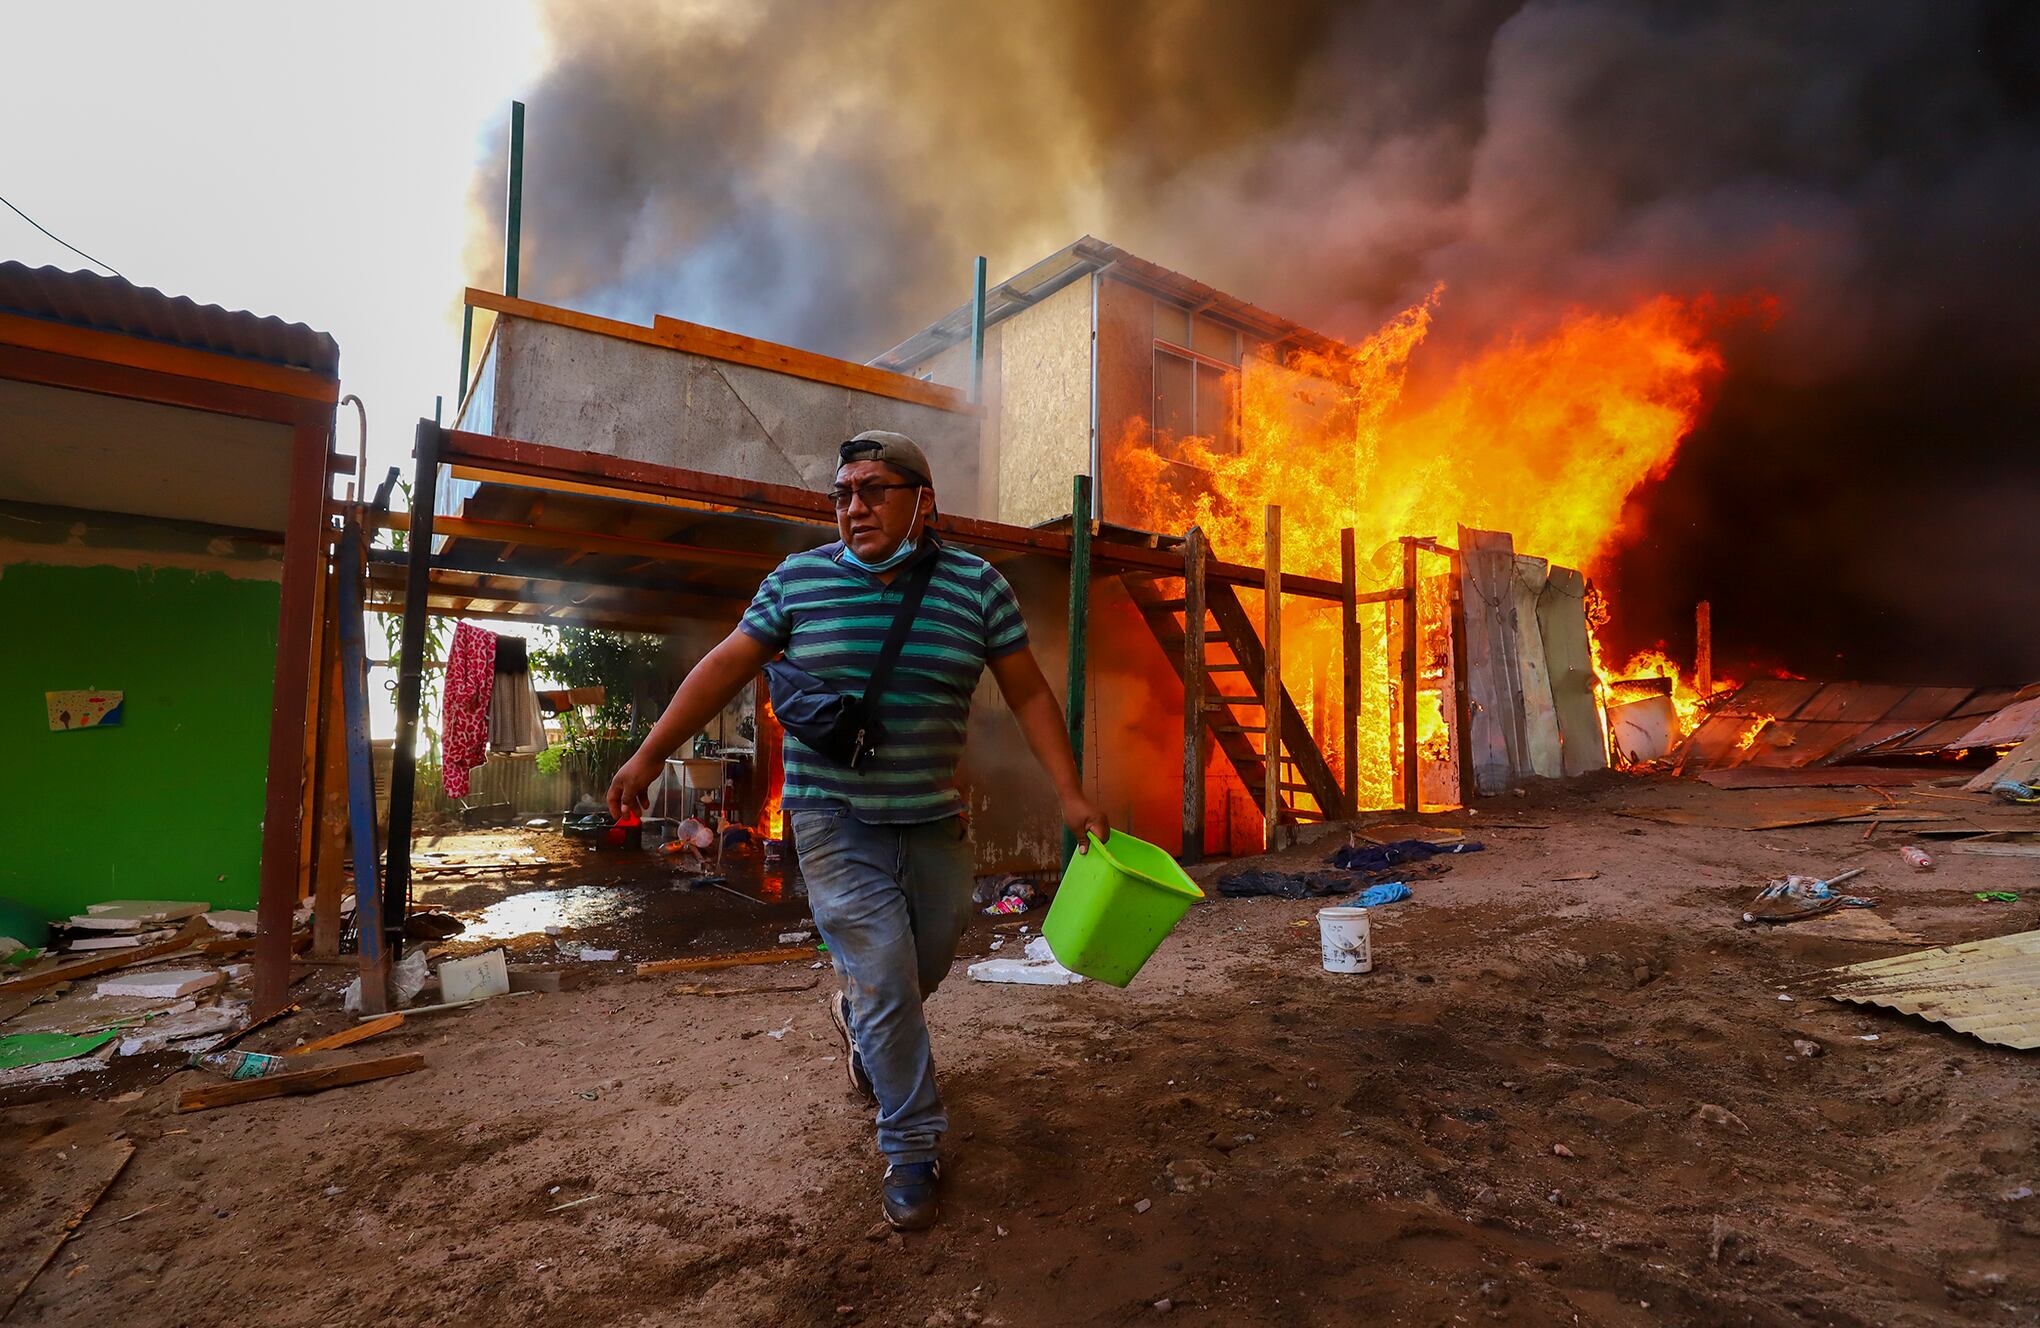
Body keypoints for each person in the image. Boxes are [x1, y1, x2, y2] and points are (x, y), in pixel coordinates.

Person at [608, 428, 1108, 1230]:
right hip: (833, 816)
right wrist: (647, 757)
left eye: (874, 489)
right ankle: (911, 1144)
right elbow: (722, 668)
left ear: (923, 501)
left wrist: (1072, 795)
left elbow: (1030, 695)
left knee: (925, 960)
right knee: (882, 972)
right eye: (841, 493)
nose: (853, 507)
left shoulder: (977, 586)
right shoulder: (798, 581)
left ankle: (861, 1022)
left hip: (933, 818)